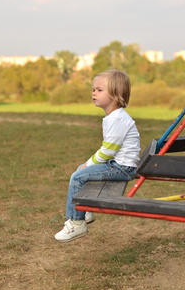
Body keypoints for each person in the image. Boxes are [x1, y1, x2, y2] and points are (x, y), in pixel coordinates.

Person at [55, 69, 140, 243]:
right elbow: (108, 150)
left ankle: (76, 222)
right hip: (118, 164)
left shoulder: (118, 119)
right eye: (93, 89)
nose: (94, 93)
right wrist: (88, 164)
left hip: (123, 168)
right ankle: (86, 212)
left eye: (99, 90)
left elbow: (108, 150)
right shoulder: (112, 117)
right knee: (81, 171)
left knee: (78, 176)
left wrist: (89, 163)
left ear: (116, 94)